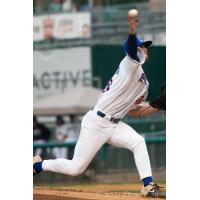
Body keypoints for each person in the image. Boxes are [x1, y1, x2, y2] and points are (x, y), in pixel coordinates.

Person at [33, 10, 166, 198]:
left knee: (138, 141)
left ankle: (148, 185)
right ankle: (38, 165)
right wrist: (132, 32)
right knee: (76, 168)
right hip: (96, 122)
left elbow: (135, 112)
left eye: (145, 47)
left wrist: (158, 106)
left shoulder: (144, 84)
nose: (144, 49)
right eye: (141, 46)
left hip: (114, 124)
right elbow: (129, 48)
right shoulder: (129, 63)